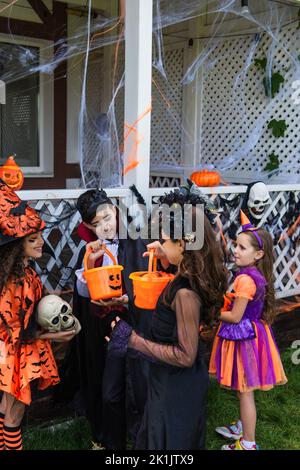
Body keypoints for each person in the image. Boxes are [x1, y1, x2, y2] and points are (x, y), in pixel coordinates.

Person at [107, 189, 228, 450]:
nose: (159, 245)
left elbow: (185, 355)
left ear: (183, 244)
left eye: (164, 241)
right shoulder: (186, 274)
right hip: (167, 383)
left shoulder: (185, 293)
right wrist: (167, 259)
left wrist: (134, 341)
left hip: (177, 391)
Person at [56, 189, 151, 449]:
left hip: (137, 328)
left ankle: (145, 439)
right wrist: (90, 268)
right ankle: (112, 443)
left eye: (107, 217)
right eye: (96, 224)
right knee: (110, 392)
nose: (105, 226)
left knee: (139, 389)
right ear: (87, 226)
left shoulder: (137, 239)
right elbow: (84, 293)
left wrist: (128, 301)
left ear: (116, 210)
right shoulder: (91, 250)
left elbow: (149, 284)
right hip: (107, 331)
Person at [0, 180, 74, 451]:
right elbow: (13, 328)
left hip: (14, 350)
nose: (41, 242)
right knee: (14, 414)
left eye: (40, 236)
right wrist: (51, 334)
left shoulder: (26, 274)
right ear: (16, 246)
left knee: (7, 406)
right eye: (32, 239)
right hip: (16, 353)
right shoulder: (13, 282)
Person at [209, 211, 287, 450]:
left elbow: (234, 316)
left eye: (242, 248)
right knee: (244, 388)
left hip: (244, 338)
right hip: (253, 334)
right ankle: (243, 426)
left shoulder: (245, 280)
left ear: (258, 254)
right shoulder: (254, 274)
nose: (236, 251)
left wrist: (211, 312)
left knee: (245, 391)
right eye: (236, 245)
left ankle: (248, 443)